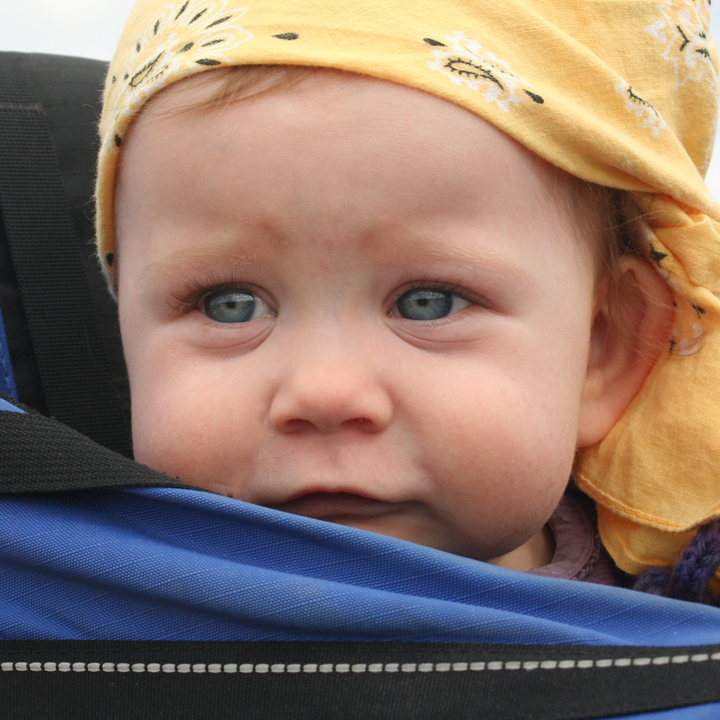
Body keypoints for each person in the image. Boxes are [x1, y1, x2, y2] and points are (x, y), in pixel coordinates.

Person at [95, 0, 720, 601]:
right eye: (228, 304)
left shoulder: (681, 637)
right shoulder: (68, 616)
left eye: (430, 302)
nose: (324, 394)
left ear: (601, 349)